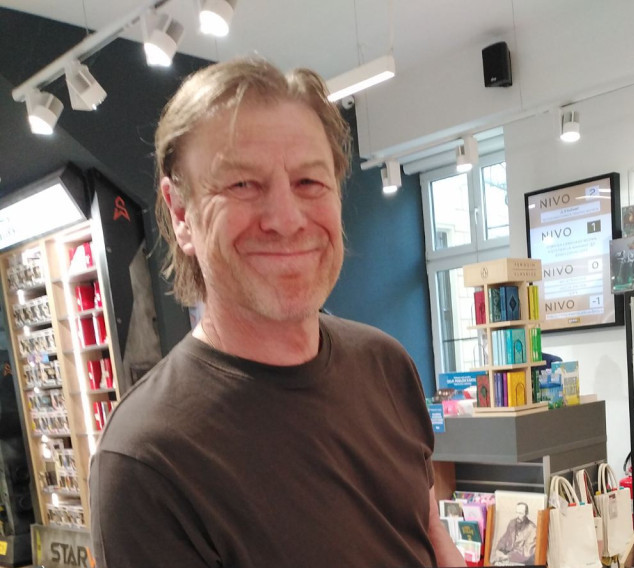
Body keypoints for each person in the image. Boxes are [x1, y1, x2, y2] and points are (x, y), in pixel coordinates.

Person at [88, 57, 465, 568]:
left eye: (309, 182)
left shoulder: (386, 365)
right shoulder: (146, 461)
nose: (286, 219)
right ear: (180, 213)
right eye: (242, 184)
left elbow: (428, 531)